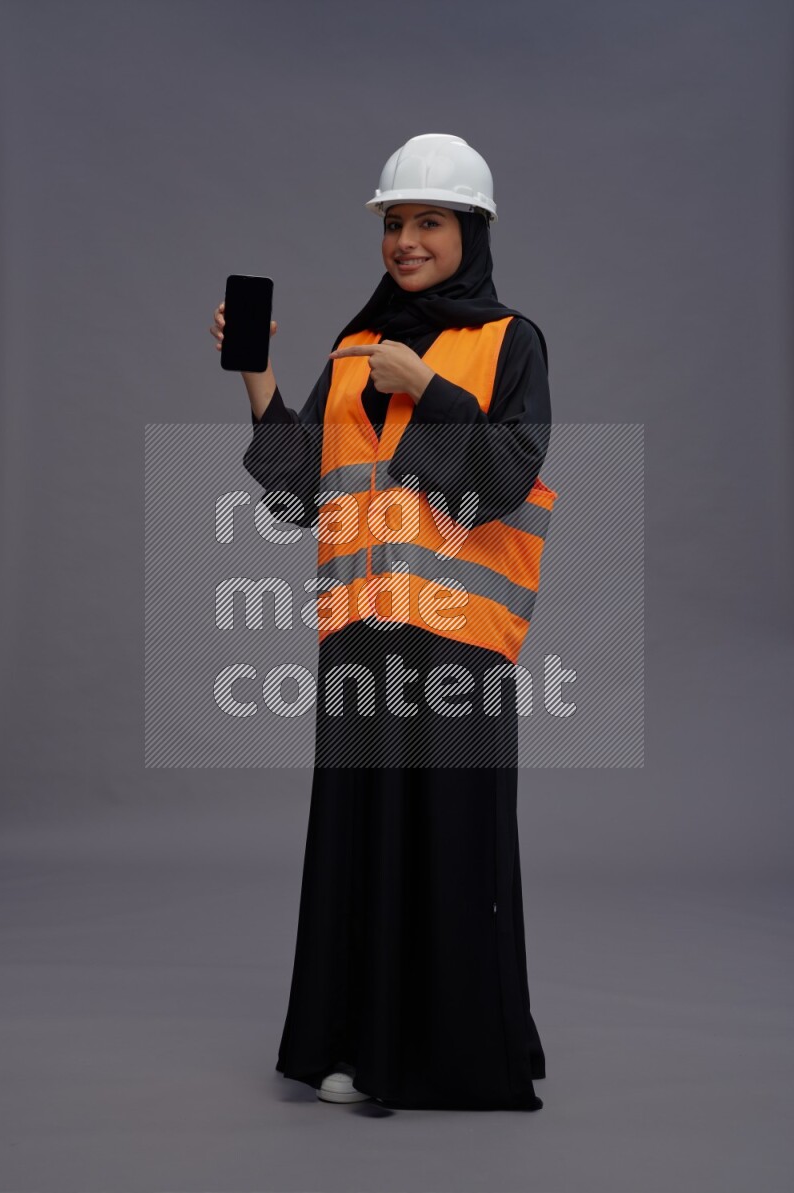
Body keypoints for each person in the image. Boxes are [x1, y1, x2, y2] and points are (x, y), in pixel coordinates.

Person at [209, 133, 557, 1110]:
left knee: (449, 839)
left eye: (427, 222)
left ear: (470, 231)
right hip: (359, 632)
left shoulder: (508, 341)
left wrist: (429, 389)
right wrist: (258, 377)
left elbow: (508, 472)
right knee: (359, 837)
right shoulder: (354, 348)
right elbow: (297, 492)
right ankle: (355, 1046)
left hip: (455, 637)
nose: (405, 240)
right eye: (394, 223)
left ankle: (446, 1058)